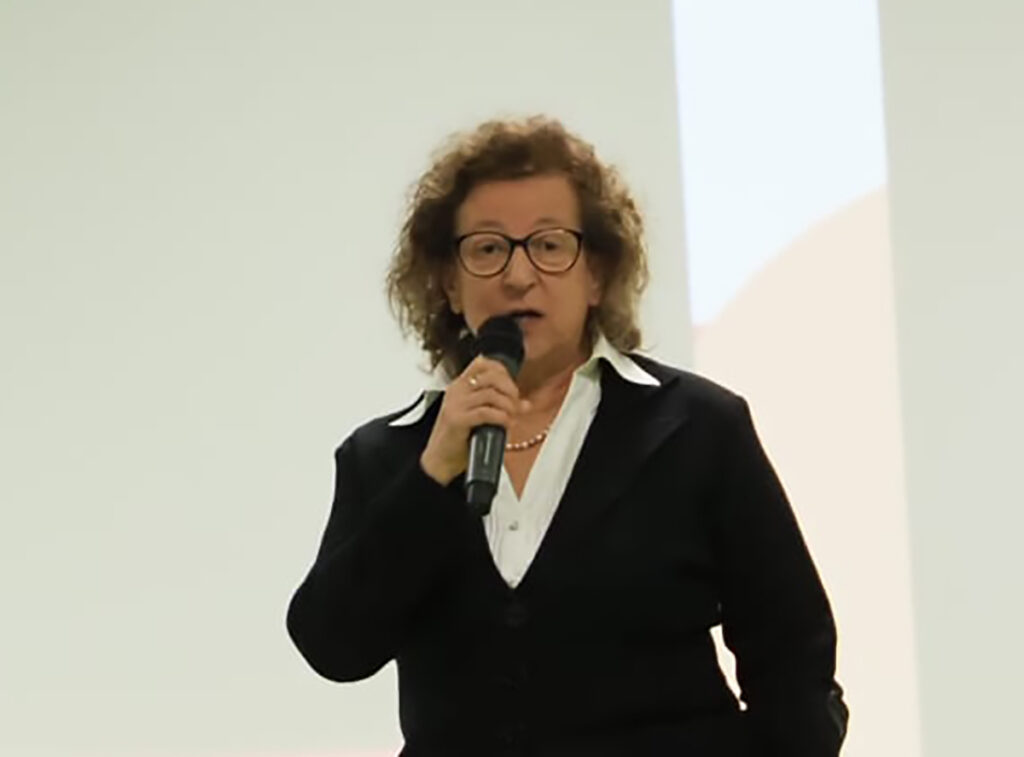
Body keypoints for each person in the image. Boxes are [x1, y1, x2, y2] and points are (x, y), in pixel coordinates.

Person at [286, 116, 848, 756]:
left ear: (597, 275)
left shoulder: (697, 428)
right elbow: (334, 647)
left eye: (550, 246)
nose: (518, 275)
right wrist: (431, 474)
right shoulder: (387, 455)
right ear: (448, 281)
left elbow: (794, 664)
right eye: (488, 249)